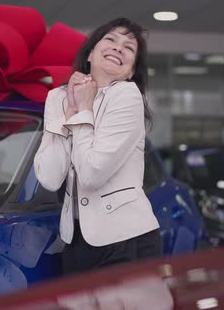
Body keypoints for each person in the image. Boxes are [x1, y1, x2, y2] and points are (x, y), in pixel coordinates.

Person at [34, 18, 162, 274]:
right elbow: (49, 178)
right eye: (111, 40)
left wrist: (82, 111)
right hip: (76, 240)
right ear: (90, 52)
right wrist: (69, 110)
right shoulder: (58, 97)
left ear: (130, 70)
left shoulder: (127, 96)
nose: (118, 48)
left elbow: (92, 174)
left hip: (126, 239)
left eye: (128, 47)